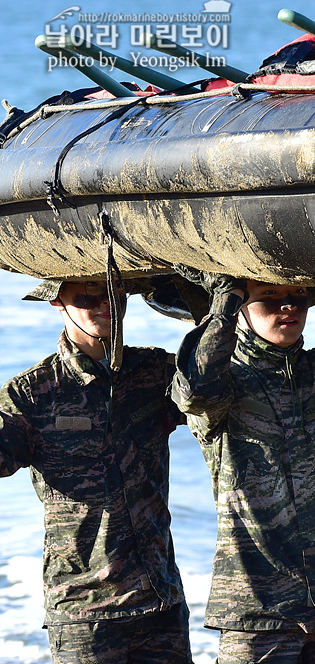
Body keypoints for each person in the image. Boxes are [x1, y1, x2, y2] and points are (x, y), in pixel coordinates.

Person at [171, 275, 315, 664]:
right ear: (241, 310)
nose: (288, 307)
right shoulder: (226, 382)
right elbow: (195, 390)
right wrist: (224, 303)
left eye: (297, 296)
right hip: (258, 609)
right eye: (269, 297)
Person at [0, 279, 192, 663]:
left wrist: (200, 304)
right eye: (87, 295)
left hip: (160, 600)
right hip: (85, 612)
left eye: (113, 293)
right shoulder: (32, 393)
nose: (105, 304)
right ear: (58, 303)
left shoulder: (155, 372)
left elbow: (218, 389)